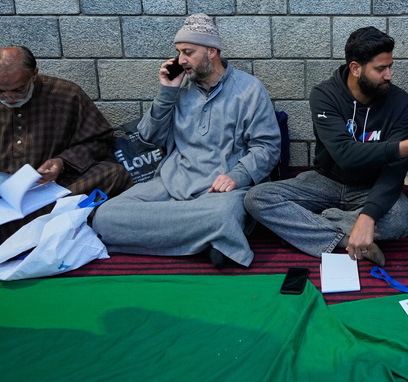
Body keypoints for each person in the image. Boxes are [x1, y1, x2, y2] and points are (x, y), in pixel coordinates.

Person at [245, 27, 408, 265]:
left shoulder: (399, 102)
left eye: (390, 66)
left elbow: (395, 170)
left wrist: (368, 215)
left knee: (401, 217)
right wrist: (407, 147)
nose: (389, 75)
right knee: (257, 197)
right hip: (326, 181)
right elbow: (345, 155)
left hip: (370, 187)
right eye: (380, 68)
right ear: (356, 68)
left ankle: (315, 223)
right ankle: (346, 240)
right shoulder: (324, 95)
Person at [91, 14, 281, 268]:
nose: (181, 60)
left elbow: (267, 146)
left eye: (188, 52)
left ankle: (185, 233)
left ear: (211, 51)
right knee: (104, 216)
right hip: (172, 183)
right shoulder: (178, 91)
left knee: (223, 215)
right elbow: (148, 138)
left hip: (220, 190)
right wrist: (166, 91)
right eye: (179, 52)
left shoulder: (249, 89)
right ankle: (209, 239)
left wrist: (238, 175)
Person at [0, 46, 133, 263]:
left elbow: (100, 141)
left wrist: (62, 162)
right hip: (3, 198)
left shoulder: (66, 95)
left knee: (114, 174)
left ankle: (17, 240)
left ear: (34, 74)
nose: (8, 98)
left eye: (18, 90)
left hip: (59, 187)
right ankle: (51, 232)